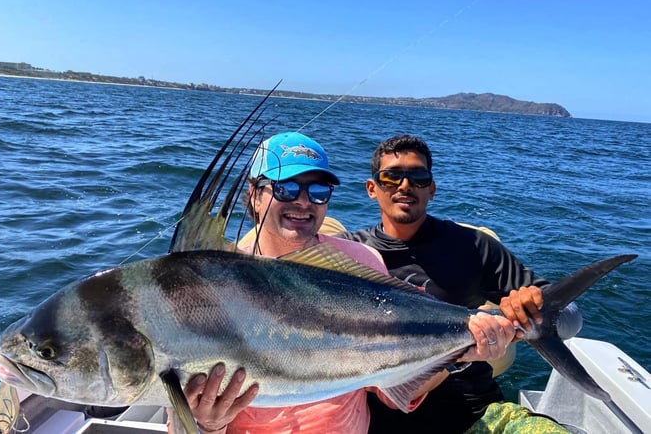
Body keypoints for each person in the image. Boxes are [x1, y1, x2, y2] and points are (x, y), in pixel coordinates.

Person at [173, 132, 516, 434]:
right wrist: (208, 424)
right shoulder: (211, 284)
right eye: (286, 187)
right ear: (254, 194)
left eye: (318, 190)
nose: (303, 201)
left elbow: (395, 391)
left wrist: (460, 354)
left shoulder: (360, 263)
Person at [340, 134, 578, 433]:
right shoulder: (344, 255)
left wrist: (535, 309)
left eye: (418, 177)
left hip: (475, 412)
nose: (405, 186)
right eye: (392, 177)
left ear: (432, 189)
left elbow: (569, 319)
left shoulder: (472, 246)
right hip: (375, 419)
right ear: (372, 188)